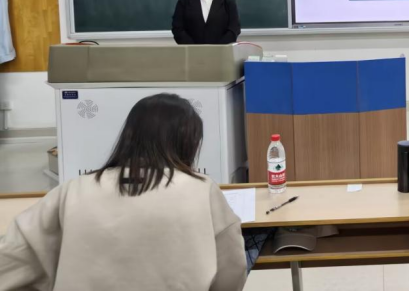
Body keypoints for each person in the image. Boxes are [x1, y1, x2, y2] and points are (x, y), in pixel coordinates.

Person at [0, 93, 247, 291]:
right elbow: (232, 270)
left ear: (129, 136)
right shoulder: (201, 190)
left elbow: (11, 259)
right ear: (189, 143)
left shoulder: (72, 191)